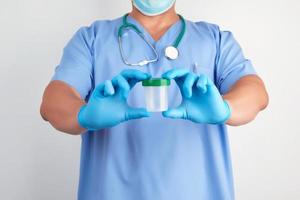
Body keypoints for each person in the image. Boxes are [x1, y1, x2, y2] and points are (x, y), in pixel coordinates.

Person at [40, 0, 269, 199]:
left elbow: (255, 93)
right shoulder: (91, 39)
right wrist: (84, 115)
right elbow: (53, 102)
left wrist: (226, 108)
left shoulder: (214, 39)